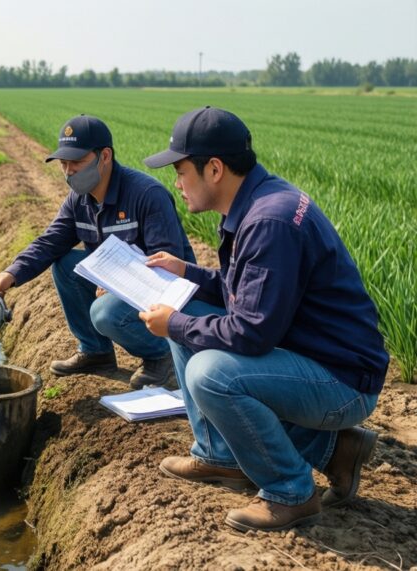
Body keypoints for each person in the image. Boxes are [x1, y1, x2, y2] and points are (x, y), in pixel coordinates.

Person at [139, 106, 389, 532]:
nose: (176, 183)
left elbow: (251, 332)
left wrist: (174, 325)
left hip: (342, 380)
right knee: (187, 307)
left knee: (210, 373)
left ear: (214, 169)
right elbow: (246, 288)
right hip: (313, 356)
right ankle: (229, 454)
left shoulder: (270, 221)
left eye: (181, 171)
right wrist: (187, 273)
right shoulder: (255, 201)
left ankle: (291, 491)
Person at [0, 115, 196, 388]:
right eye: (64, 163)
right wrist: (11, 274)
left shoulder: (146, 194)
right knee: (64, 265)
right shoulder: (78, 201)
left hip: (165, 292)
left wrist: (120, 282)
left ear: (104, 156)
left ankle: (162, 356)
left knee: (104, 312)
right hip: (119, 283)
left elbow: (167, 263)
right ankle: (95, 352)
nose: (69, 170)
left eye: (77, 162)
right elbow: (50, 242)